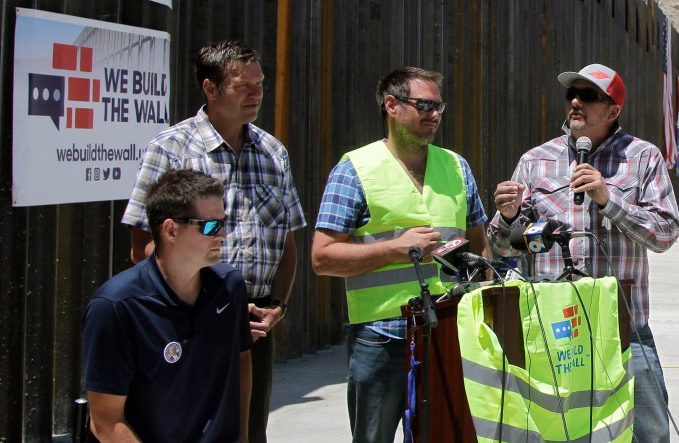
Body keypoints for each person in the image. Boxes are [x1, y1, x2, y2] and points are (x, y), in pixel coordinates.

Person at [121, 40, 306, 442]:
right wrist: (202, 302)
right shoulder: (170, 149)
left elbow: (287, 241)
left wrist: (277, 305)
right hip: (187, 323)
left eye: (260, 84)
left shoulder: (273, 152)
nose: (256, 94)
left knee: (247, 432)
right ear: (210, 88)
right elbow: (142, 247)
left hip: (254, 325)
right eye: (244, 87)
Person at [488, 63, 679, 442]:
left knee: (650, 431)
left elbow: (665, 234)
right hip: (551, 326)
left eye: (589, 96)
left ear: (613, 109)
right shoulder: (535, 161)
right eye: (571, 95)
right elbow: (499, 246)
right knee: (554, 430)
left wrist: (608, 199)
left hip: (623, 325)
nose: (576, 102)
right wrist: (508, 217)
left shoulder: (642, 158)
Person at [311, 67, 489, 443]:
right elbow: (323, 257)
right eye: (424, 104)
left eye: (439, 106)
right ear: (391, 105)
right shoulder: (355, 170)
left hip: (449, 332)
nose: (435, 114)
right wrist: (396, 248)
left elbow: (479, 244)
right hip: (380, 338)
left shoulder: (457, 167)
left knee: (448, 435)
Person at [83, 169, 255, 442]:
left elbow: (242, 360)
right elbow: (105, 422)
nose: (223, 235)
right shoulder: (115, 306)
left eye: (224, 222)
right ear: (171, 230)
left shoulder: (230, 286)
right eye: (211, 225)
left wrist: (243, 436)